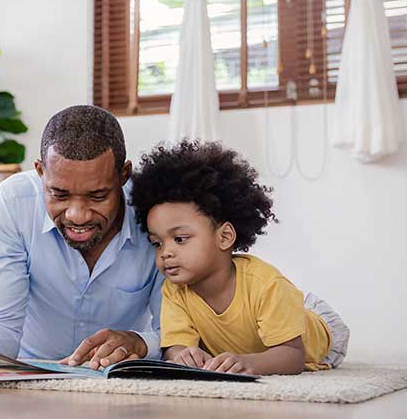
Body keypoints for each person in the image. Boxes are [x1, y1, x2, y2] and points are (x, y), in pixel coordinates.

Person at [0, 105, 163, 370]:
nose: (77, 216)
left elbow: (177, 337)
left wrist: (139, 342)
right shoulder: (14, 201)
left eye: (97, 196)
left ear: (123, 176)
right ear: (40, 171)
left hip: (109, 371)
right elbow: (1, 329)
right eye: (59, 194)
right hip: (29, 354)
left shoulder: (156, 211)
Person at [129, 140, 349, 375]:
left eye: (180, 239)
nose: (166, 252)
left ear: (224, 236)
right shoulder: (175, 291)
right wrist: (183, 355)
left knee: (288, 312)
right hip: (264, 320)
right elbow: (176, 346)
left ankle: (299, 306)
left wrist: (251, 363)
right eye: (157, 243)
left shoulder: (266, 284)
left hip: (319, 331)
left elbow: (293, 356)